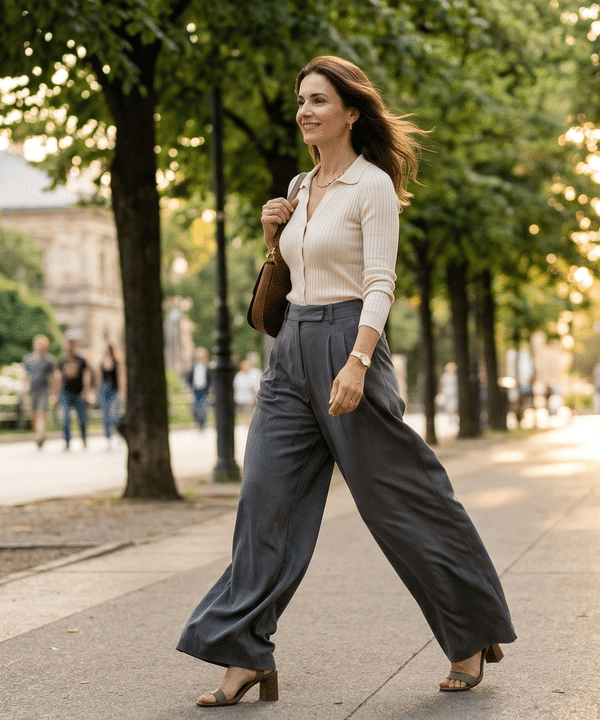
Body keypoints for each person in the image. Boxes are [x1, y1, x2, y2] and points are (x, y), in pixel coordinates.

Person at [178, 56, 515, 708]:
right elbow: (292, 276)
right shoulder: (301, 185)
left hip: (348, 343)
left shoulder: (373, 187)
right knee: (263, 502)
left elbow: (379, 283)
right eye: (300, 99)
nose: (305, 110)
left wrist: (358, 362)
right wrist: (273, 239)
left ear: (351, 112)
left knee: (401, 505)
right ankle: (243, 653)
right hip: (290, 352)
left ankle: (469, 633)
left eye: (318, 100)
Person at [57, 337, 91, 450]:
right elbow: (58, 377)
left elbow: (87, 376)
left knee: (82, 419)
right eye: (68, 345)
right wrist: (56, 394)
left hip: (79, 393)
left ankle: (84, 438)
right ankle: (67, 441)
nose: (69, 348)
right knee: (65, 418)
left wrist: (86, 391)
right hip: (66, 393)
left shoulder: (81, 360)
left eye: (72, 345)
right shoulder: (62, 360)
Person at [23, 335, 55, 449]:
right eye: (38, 344)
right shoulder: (28, 359)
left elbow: (52, 377)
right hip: (32, 390)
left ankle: (39, 437)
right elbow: (25, 376)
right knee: (34, 416)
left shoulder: (49, 360)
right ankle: (40, 433)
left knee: (41, 414)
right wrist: (22, 391)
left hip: (44, 390)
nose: (39, 346)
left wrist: (54, 393)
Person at [97, 343, 121, 449]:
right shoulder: (102, 363)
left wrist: (122, 392)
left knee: (114, 415)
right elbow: (98, 378)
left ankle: (119, 434)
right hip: (103, 389)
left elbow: (121, 377)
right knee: (105, 415)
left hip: (114, 389)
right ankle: (108, 438)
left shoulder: (117, 362)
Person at [186, 347, 212, 431]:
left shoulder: (207, 367)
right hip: (196, 390)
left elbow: (210, 379)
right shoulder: (193, 367)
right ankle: (199, 422)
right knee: (195, 408)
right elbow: (189, 378)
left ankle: (202, 424)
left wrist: (210, 388)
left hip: (204, 390)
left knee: (204, 408)